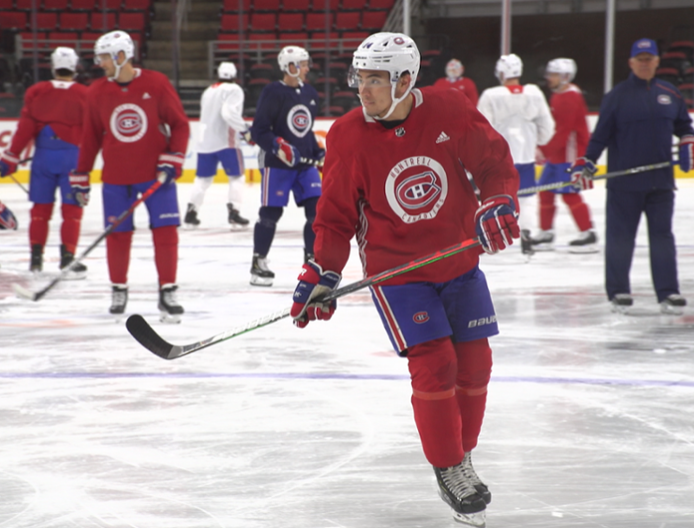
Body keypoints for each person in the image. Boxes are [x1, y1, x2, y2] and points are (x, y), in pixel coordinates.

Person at [289, 32, 520, 527]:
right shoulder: (348, 134)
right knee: (435, 362)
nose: (363, 89)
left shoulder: (449, 109)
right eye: (360, 78)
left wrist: (498, 201)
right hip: (398, 273)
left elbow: (495, 163)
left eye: (375, 79)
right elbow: (333, 219)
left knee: (476, 362)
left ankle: (461, 456)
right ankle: (449, 466)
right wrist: (322, 271)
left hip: (458, 262)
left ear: (405, 80)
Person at [70, 30, 190, 322]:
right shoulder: (97, 91)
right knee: (118, 236)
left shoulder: (156, 84)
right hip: (116, 178)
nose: (100, 64)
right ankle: (119, 288)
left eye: (104, 58)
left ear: (120, 56)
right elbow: (90, 138)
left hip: (154, 176)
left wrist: (172, 160)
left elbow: (180, 125)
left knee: (165, 233)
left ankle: (167, 290)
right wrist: (81, 174)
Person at [571, 38, 693, 315]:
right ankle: (618, 291)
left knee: (662, 238)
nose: (645, 63)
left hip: (661, 183)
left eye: (650, 59)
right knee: (620, 239)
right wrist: (586, 161)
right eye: (640, 59)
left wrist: (688, 142)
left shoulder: (670, 93)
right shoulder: (617, 96)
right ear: (631, 63)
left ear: (657, 62)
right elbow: (599, 136)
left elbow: (685, 126)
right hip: (624, 186)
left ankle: (668, 292)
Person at [0, 47, 88, 277]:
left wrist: (9, 159)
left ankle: (36, 259)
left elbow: (24, 130)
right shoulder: (85, 94)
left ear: (53, 66)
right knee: (72, 211)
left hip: (43, 158)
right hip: (72, 159)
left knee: (40, 210)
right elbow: (94, 132)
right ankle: (67, 257)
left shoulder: (37, 91)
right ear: (75, 67)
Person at [248, 45, 324, 287]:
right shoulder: (273, 92)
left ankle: (312, 262)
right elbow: (258, 130)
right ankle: (258, 262)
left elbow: (304, 130)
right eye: (302, 64)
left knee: (317, 212)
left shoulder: (310, 93)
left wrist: (317, 150)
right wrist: (278, 145)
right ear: (289, 67)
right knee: (271, 214)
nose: (307, 68)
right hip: (277, 164)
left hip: (304, 165)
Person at [477, 53, 555, 256]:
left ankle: (492, 236)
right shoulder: (534, 93)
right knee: (527, 197)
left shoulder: (491, 95)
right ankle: (527, 233)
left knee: (494, 196)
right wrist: (536, 141)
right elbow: (547, 126)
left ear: (501, 73)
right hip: (526, 156)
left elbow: (482, 127)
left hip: (499, 158)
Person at [533, 58, 598, 253]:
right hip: (557, 155)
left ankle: (588, 234)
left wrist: (544, 150)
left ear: (565, 77)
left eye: (552, 74)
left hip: (570, 155)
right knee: (545, 190)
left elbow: (564, 131)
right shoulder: (557, 95)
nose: (548, 78)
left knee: (569, 194)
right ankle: (546, 232)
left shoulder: (570, 97)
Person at [184, 61, 250, 229]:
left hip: (205, 141)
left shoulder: (208, 91)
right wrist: (244, 129)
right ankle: (234, 211)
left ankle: (191, 212)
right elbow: (228, 113)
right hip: (226, 141)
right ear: (235, 75)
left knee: (203, 180)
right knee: (237, 177)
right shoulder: (234, 90)